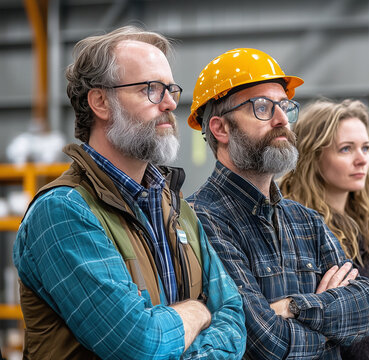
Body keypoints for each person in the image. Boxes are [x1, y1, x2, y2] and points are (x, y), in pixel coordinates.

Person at [12, 26, 246, 359]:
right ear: (100, 102)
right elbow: (139, 345)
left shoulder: (176, 207)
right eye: (151, 89)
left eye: (170, 89)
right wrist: (198, 311)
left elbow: (233, 315)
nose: (169, 103)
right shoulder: (63, 212)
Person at [186, 48, 369, 359]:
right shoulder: (201, 220)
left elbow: (365, 308)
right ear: (221, 128)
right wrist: (331, 323)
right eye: (261, 107)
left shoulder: (307, 221)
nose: (281, 120)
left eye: (285, 106)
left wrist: (292, 307)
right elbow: (263, 342)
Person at [279, 99, 369, 359]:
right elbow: (324, 330)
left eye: (365, 148)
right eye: (346, 149)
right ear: (314, 155)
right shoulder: (297, 230)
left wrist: (365, 325)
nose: (362, 160)